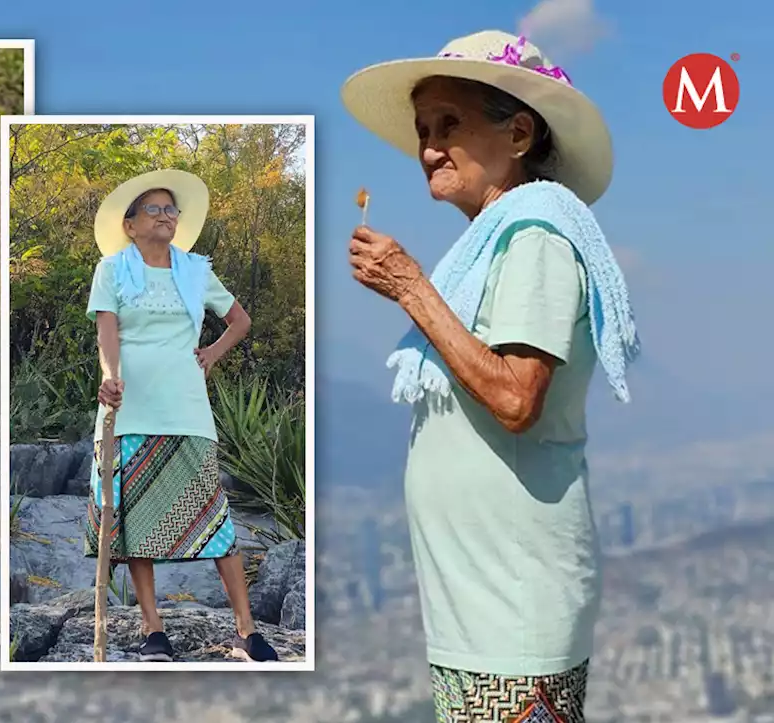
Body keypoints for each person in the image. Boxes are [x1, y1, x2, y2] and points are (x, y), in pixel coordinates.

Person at [340, 31, 640, 721]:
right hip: (484, 599)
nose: (428, 149)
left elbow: (515, 396)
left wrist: (411, 286)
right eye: (422, 131)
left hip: (513, 599)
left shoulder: (535, 233)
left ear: (518, 133)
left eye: (449, 124)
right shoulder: (497, 238)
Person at [83, 168, 279, 664]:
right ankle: (153, 630)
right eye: (155, 209)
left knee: (214, 518)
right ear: (130, 225)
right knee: (134, 522)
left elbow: (240, 320)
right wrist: (110, 375)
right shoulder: (112, 269)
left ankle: (246, 629)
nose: (167, 216)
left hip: (187, 408)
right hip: (129, 406)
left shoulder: (195, 270)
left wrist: (212, 353)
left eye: (172, 209)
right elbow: (108, 331)